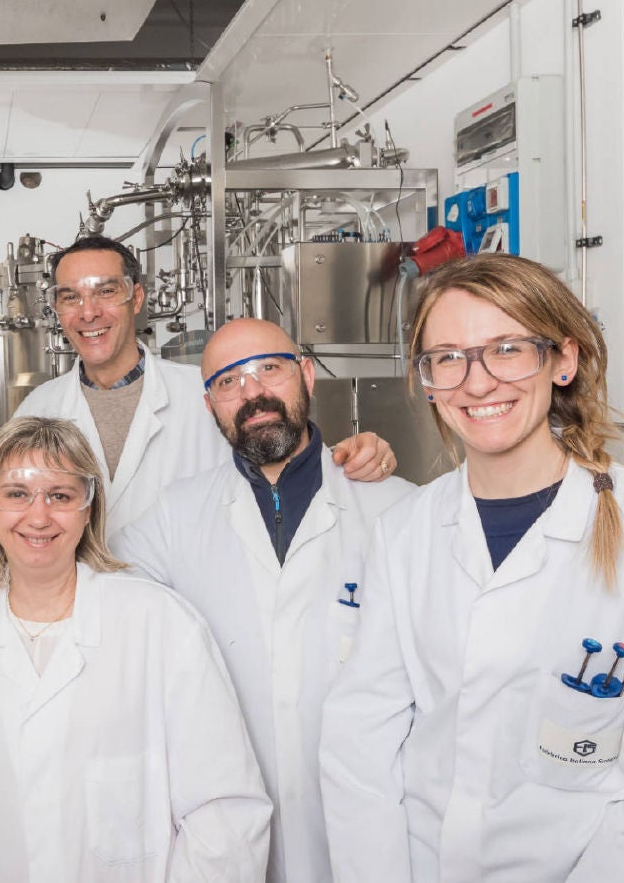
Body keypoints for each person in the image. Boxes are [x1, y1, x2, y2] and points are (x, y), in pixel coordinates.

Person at [319, 254, 624, 881]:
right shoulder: (405, 534)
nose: (477, 381)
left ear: (563, 361)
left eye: (508, 349)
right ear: (426, 380)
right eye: (448, 357)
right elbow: (362, 740)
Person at [0, 416, 272, 882]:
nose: (38, 516)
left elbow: (223, 810)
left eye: (60, 495)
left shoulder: (161, 623)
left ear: (89, 508)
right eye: (17, 494)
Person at [112, 317, 414, 883]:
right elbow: (93, 590)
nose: (251, 393)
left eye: (268, 369)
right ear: (210, 406)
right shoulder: (176, 517)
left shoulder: (395, 509)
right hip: (232, 826)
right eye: (228, 382)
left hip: (370, 826)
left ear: (305, 374)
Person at [13, 235, 396, 533]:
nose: (88, 312)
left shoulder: (210, 393)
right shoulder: (37, 409)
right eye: (70, 297)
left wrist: (360, 455)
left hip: (192, 606)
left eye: (106, 291)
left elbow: (287, 458)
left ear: (136, 298)